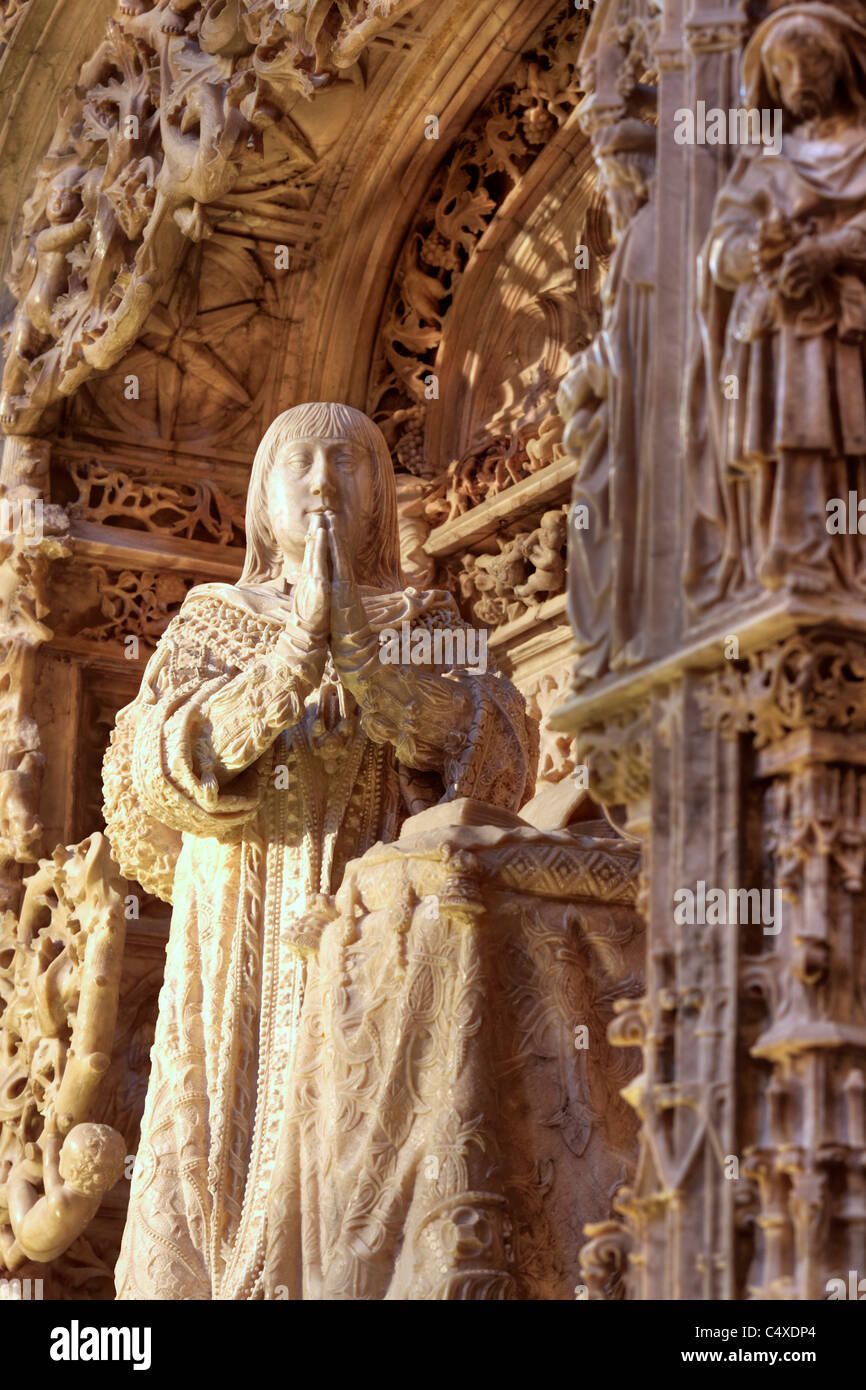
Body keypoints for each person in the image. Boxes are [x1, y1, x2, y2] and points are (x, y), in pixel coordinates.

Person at [105, 401, 536, 1299]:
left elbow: (501, 754)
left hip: (381, 926)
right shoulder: (211, 622)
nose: (322, 481)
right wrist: (295, 654)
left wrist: (374, 672)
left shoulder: (427, 620)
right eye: (299, 460)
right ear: (262, 494)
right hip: (238, 928)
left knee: (365, 1135)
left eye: (348, 461)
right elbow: (152, 771)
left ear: (378, 492)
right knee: (222, 1139)